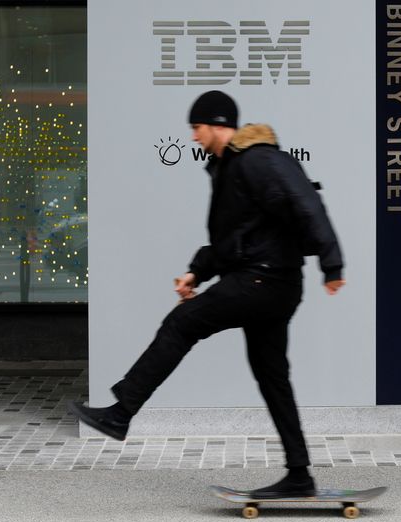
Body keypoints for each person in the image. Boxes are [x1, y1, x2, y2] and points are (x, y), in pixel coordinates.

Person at [69, 90, 345, 498]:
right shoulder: (229, 168)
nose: (194, 137)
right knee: (272, 378)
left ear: (218, 125)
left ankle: (121, 412)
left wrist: (332, 263)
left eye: (196, 128)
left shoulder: (260, 159)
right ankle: (300, 476)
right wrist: (195, 272)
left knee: (182, 323)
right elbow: (232, 240)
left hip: (263, 281)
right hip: (268, 282)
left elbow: (307, 203)